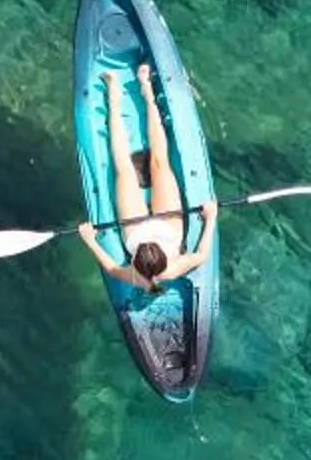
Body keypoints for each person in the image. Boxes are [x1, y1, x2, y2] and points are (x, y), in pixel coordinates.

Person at [78, 63, 218, 290]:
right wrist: (211, 217)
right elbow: (201, 255)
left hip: (135, 232)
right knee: (159, 163)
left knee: (123, 168)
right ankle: (147, 91)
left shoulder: (135, 276)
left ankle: (113, 98)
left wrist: (89, 240)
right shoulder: (172, 269)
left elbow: (111, 268)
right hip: (169, 229)